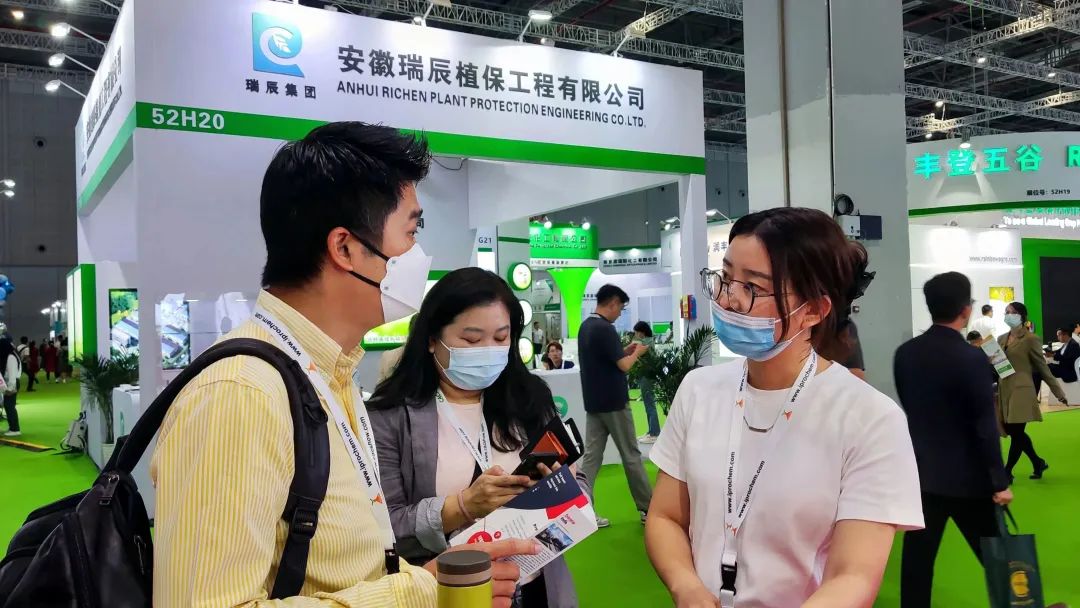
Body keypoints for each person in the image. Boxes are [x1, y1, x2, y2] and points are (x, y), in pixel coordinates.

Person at [150, 122, 537, 608]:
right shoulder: (242, 393)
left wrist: (422, 582)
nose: (417, 255)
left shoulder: (329, 376)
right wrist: (419, 592)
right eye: (411, 231)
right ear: (346, 249)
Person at [645, 207, 922, 608]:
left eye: (752, 287)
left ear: (813, 310)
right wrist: (684, 585)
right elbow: (666, 516)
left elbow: (854, 575)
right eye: (725, 277)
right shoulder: (699, 390)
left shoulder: (869, 418)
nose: (728, 299)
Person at [368, 267, 582, 607]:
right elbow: (384, 527)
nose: (488, 350)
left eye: (500, 338)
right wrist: (462, 507)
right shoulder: (389, 417)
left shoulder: (529, 398)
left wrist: (562, 488)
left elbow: (580, 486)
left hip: (536, 585)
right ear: (432, 339)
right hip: (453, 593)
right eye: (471, 340)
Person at [894, 272, 1012, 607]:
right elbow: (984, 426)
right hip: (970, 481)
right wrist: (999, 481)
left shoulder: (905, 354)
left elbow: (911, 408)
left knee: (917, 564)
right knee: (997, 559)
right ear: (965, 309)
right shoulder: (972, 358)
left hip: (922, 476)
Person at [578, 284, 652, 528]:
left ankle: (583, 510)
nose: (620, 312)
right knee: (631, 456)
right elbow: (624, 366)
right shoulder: (605, 329)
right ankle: (648, 508)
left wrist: (625, 350)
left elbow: (610, 358)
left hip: (594, 404)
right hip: (615, 403)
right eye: (620, 307)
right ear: (612, 303)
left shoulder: (586, 327)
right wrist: (637, 353)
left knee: (591, 459)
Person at [998, 301, 1067, 481]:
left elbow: (1043, 368)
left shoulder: (1031, 339)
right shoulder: (1001, 339)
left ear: (1021, 315)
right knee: (1015, 432)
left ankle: (1007, 472)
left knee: (1017, 431)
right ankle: (1038, 462)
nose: (1007, 315)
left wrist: (1059, 393)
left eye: (1011, 312)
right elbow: (1000, 367)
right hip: (1005, 389)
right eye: (1006, 312)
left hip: (1022, 390)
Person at [632, 321, 660, 444]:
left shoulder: (647, 342)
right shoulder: (645, 341)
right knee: (648, 403)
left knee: (649, 403)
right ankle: (651, 431)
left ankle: (654, 433)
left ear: (642, 332)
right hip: (644, 375)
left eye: (637, 332)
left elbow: (637, 352)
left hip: (648, 376)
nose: (635, 335)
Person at [1, 337, 21, 437]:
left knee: (10, 406)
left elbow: (12, 375)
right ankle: (12, 427)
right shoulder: (10, 355)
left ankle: (15, 429)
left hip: (12, 384)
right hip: (10, 383)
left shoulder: (10, 358)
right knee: (8, 406)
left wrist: (10, 388)